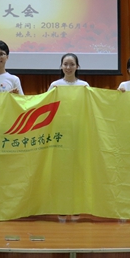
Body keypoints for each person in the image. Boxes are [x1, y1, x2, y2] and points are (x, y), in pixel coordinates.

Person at [48, 52, 88, 224]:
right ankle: (62, 206)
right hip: (60, 133)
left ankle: (77, 205)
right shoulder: (55, 86)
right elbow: (47, 107)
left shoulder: (84, 86)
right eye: (65, 64)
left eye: (72, 64)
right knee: (61, 171)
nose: (69, 67)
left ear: (77, 67)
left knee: (78, 170)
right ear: (61, 66)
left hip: (79, 133)